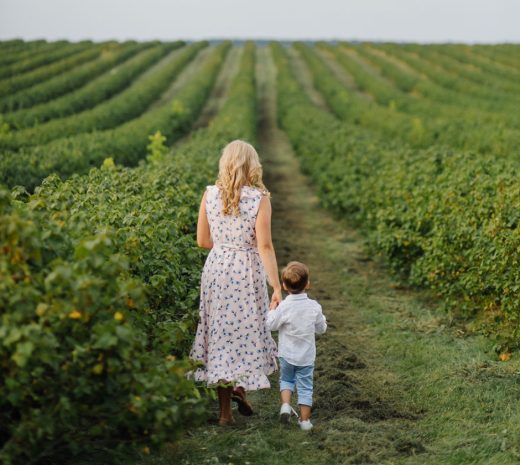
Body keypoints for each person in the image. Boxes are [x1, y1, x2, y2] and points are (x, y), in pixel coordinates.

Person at [189, 139, 282, 426]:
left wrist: (225, 242)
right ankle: (241, 387)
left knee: (219, 333)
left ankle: (225, 413)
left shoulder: (210, 195)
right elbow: (264, 246)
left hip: (217, 268)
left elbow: (203, 241)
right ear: (252, 165)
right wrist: (277, 287)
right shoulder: (259, 198)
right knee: (244, 331)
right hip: (246, 269)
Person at [266, 261, 327, 431]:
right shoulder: (314, 307)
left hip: (287, 355)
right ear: (307, 284)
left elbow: (271, 325)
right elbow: (321, 329)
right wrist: (320, 323)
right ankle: (305, 421)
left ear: (284, 286)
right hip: (306, 357)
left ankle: (286, 405)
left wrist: (272, 309)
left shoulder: (284, 307)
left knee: (286, 379)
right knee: (305, 387)